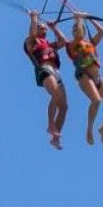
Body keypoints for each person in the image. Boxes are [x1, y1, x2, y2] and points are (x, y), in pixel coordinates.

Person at [63, 12, 103, 145]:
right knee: (96, 101)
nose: (75, 30)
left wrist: (89, 18)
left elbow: (102, 31)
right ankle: (89, 129)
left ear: (84, 31)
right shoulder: (72, 44)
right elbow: (79, 36)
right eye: (73, 29)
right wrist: (79, 18)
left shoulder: (90, 44)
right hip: (84, 76)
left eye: (77, 28)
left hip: (98, 78)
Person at [25, 11, 67, 148]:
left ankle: (56, 137)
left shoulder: (48, 45)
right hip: (44, 69)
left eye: (45, 29)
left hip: (56, 73)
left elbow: (63, 42)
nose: (45, 30)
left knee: (64, 107)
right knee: (56, 97)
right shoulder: (31, 42)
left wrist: (55, 28)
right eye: (42, 28)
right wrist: (33, 18)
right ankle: (50, 125)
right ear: (35, 29)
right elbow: (31, 34)